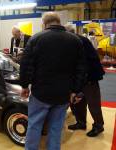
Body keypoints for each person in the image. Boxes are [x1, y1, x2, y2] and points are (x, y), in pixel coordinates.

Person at [20, 12, 86, 150]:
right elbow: (81, 69)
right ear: (58, 22)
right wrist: (75, 90)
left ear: (44, 24)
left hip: (40, 93)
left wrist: (25, 86)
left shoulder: (36, 39)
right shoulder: (75, 40)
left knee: (34, 126)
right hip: (63, 94)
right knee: (56, 128)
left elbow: (26, 65)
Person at [65, 25, 105, 137]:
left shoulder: (81, 41)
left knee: (93, 104)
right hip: (79, 78)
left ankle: (98, 126)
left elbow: (88, 62)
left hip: (90, 77)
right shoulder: (73, 42)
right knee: (78, 103)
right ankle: (81, 123)